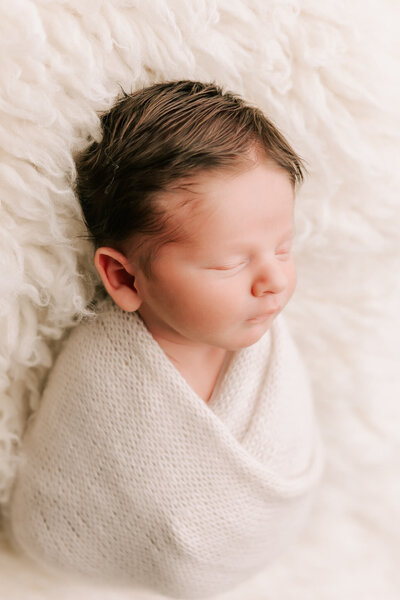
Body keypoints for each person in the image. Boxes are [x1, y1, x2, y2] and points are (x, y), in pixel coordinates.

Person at [5, 81, 324, 599]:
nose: (274, 280)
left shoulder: (265, 352)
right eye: (230, 262)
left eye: (283, 248)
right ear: (125, 279)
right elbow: (61, 501)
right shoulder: (100, 378)